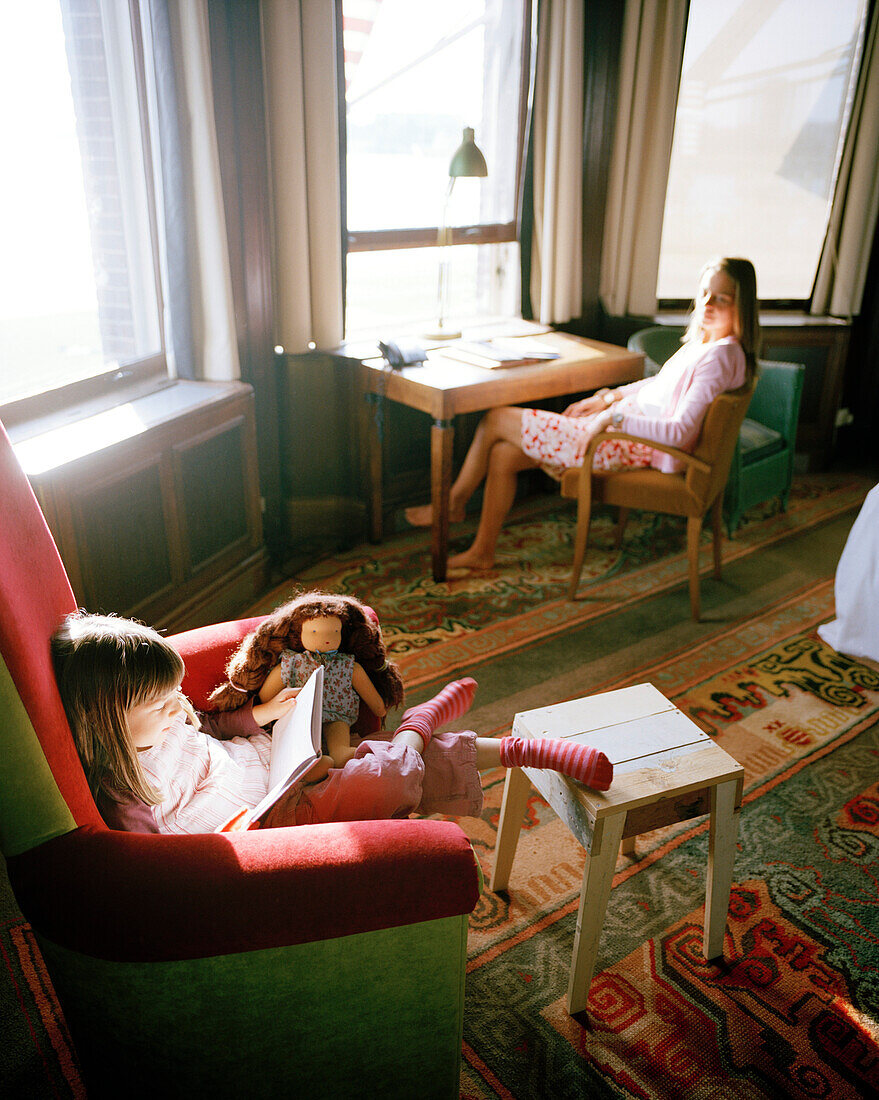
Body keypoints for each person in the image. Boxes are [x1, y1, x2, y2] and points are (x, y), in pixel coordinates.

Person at [51, 610, 613, 835]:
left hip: (274, 765)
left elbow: (214, 726)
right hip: (268, 823)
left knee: (370, 765)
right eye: (162, 705)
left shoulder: (165, 719)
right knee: (387, 774)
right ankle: (422, 729)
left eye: (177, 693)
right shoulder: (127, 796)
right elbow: (162, 876)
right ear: (106, 725)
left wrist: (260, 715)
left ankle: (519, 750)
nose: (181, 709)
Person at [406, 256, 761, 574]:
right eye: (704, 294)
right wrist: (609, 397)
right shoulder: (711, 345)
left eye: (721, 299)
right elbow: (661, 384)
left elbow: (681, 432)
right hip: (620, 432)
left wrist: (613, 419)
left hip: (624, 443)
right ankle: (482, 551)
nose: (707, 304)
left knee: (496, 418)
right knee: (502, 454)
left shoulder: (719, 357)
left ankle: (454, 503)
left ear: (741, 306)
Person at [208, 592, 405, 769]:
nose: (327, 638)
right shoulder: (291, 663)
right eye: (314, 632)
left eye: (334, 632)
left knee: (339, 741)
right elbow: (265, 697)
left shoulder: (348, 665)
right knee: (301, 746)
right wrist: (273, 707)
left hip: (338, 717)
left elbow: (376, 703)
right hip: (301, 718)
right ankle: (313, 767)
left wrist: (380, 707)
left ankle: (341, 754)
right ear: (299, 634)